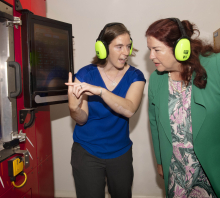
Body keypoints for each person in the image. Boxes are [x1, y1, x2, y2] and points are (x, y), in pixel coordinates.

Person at [66, 23, 146, 198]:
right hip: (87, 152)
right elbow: (82, 119)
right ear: (102, 48)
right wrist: (74, 108)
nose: (126, 52)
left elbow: (129, 109)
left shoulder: (135, 76)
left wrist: (100, 91)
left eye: (128, 46)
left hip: (120, 153)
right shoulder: (85, 74)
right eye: (119, 46)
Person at [146, 18, 220, 197]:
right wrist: (160, 161)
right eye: (150, 50)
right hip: (176, 171)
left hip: (208, 170)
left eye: (156, 50)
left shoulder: (215, 66)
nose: (151, 56)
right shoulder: (156, 78)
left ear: (180, 48)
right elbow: (154, 122)